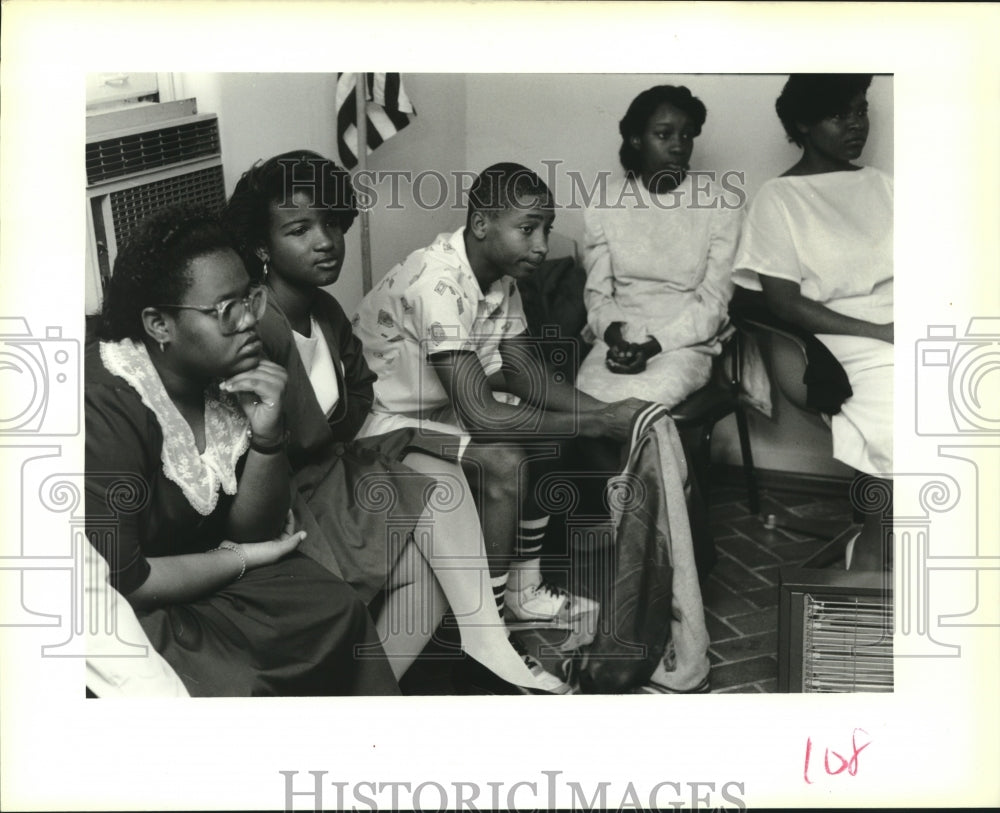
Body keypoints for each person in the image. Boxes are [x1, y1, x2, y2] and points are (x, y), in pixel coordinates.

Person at [222, 151, 559, 692]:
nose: (325, 240)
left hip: (330, 468)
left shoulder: (326, 312)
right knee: (444, 481)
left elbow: (357, 402)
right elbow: (266, 446)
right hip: (285, 499)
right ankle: (484, 642)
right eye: (299, 229)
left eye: (332, 223)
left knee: (436, 527)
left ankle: (396, 689)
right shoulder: (255, 323)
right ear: (262, 247)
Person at [85, 206, 400, 696]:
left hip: (208, 573)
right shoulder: (105, 404)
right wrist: (246, 558)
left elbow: (248, 526)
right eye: (226, 309)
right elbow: (129, 578)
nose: (251, 321)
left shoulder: (222, 379)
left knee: (335, 607)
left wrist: (268, 437)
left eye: (251, 299)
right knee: (243, 681)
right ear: (159, 325)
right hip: (131, 604)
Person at [352, 162, 647, 636]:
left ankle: (522, 594)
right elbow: (482, 414)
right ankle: (486, 631)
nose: (542, 246)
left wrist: (612, 412)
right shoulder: (437, 281)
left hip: (439, 412)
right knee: (503, 460)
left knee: (548, 433)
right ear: (482, 223)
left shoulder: (500, 280)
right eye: (528, 229)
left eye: (546, 230)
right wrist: (596, 423)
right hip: (384, 425)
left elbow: (526, 376)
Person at [733, 74, 893, 571]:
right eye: (839, 114)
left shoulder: (883, 186)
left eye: (861, 110)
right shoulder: (778, 200)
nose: (856, 124)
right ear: (802, 123)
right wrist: (880, 334)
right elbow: (782, 302)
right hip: (836, 335)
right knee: (899, 414)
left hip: (907, 318)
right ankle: (871, 549)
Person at [576, 84, 742, 408]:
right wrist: (617, 342)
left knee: (641, 411)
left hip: (684, 341)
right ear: (637, 140)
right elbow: (597, 294)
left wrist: (651, 347)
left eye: (687, 136)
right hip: (616, 336)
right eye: (664, 135)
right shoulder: (605, 203)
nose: (679, 146)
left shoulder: (721, 204)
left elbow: (714, 303)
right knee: (584, 408)